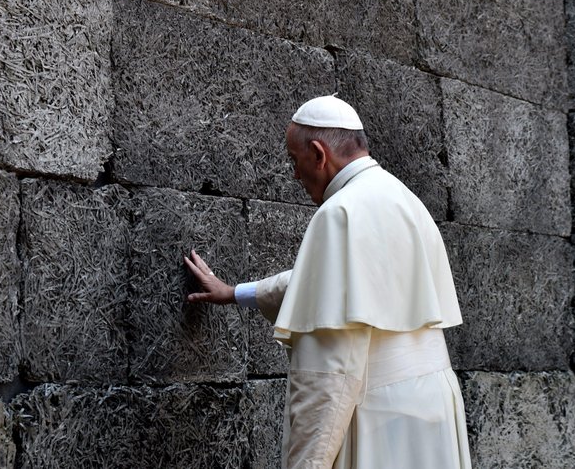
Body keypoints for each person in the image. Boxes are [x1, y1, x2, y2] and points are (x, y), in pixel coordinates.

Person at [184, 95, 471, 468]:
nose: (295, 175)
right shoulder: (404, 200)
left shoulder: (339, 212)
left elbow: (328, 372)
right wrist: (235, 293)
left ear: (319, 154)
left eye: (294, 160)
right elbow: (327, 286)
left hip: (379, 419)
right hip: (434, 409)